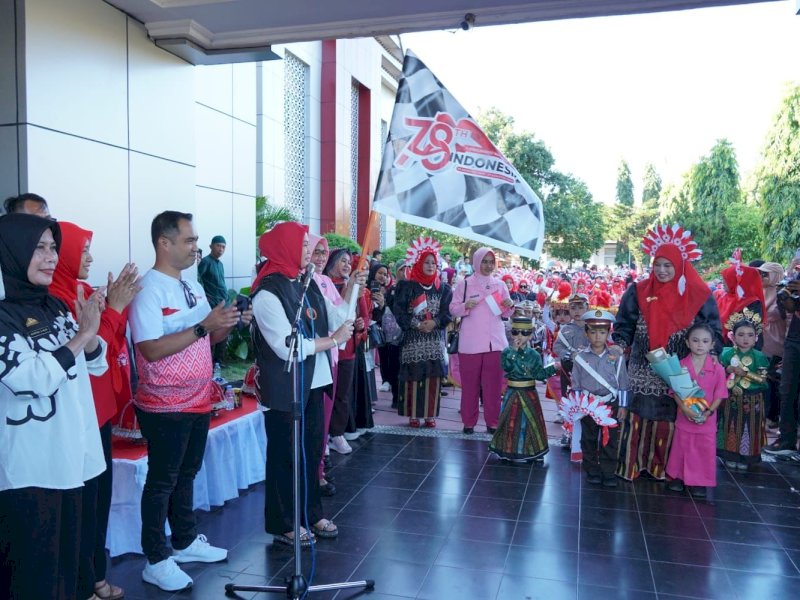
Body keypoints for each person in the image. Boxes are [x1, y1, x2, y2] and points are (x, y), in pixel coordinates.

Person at [129, 211, 250, 592]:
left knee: (186, 474)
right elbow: (150, 349)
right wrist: (203, 326)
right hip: (165, 404)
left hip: (198, 398)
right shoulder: (148, 289)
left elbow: (207, 337)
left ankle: (183, 541)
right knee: (162, 480)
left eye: (196, 240)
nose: (196, 247)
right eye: (189, 240)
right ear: (164, 243)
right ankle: (155, 558)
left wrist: (226, 323)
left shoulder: (192, 286)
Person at [0, 213, 107, 600]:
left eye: (53, 248)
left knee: (68, 573)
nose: (51, 257)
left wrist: (89, 336)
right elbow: (32, 380)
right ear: (12, 253)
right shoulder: (3, 316)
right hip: (32, 470)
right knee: (33, 579)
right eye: (38, 248)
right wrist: (82, 335)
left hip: (73, 461)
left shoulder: (56, 306)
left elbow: (95, 364)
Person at [49, 222, 139, 600]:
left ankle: (95, 576)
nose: (89, 258)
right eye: (83, 250)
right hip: (79, 416)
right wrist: (113, 309)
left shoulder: (81, 292)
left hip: (98, 412)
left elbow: (108, 348)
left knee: (98, 503)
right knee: (82, 506)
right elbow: (86, 355)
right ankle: (84, 583)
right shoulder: (54, 300)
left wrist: (114, 307)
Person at [251, 222, 355, 549]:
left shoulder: (306, 283)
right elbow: (287, 346)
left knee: (310, 453)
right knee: (285, 456)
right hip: (285, 386)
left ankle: (311, 513)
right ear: (286, 247)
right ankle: (284, 523)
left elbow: (335, 319)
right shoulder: (268, 292)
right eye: (304, 245)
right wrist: (331, 341)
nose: (310, 252)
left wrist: (352, 290)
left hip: (314, 382)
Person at [613, 225, 722, 481]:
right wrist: (619, 343)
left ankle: (666, 469)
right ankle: (633, 465)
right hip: (641, 366)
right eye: (657, 265)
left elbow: (713, 329)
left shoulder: (698, 294)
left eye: (668, 266)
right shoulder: (638, 291)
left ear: (680, 266)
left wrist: (712, 351)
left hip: (681, 368)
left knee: (675, 414)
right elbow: (624, 324)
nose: (661, 271)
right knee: (638, 413)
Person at [450, 247, 514, 434]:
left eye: (491, 262)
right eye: (484, 261)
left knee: (493, 386)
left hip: (495, 343)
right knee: (470, 385)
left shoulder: (500, 285)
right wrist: (465, 306)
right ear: (476, 262)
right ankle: (468, 422)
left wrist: (510, 305)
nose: (488, 265)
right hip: (470, 344)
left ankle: (493, 422)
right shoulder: (464, 284)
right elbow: (453, 309)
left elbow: (507, 313)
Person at [393, 237, 453, 427]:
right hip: (413, 340)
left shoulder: (443, 289)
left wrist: (434, 322)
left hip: (434, 341)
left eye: (433, 263)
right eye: (426, 262)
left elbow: (447, 313)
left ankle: (429, 415)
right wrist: (416, 324)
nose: (430, 266)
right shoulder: (407, 286)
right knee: (412, 377)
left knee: (433, 379)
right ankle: (413, 415)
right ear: (418, 263)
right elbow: (399, 311)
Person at [665, 323, 728, 497]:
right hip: (684, 415)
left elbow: (720, 394)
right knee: (682, 446)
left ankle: (699, 482)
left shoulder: (717, 368)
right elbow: (675, 391)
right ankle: (677, 477)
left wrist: (708, 412)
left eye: (705, 341)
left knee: (703, 449)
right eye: (695, 340)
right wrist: (684, 409)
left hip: (706, 418)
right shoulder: (680, 366)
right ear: (687, 342)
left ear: (712, 344)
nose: (700, 345)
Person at [570, 310, 629, 487]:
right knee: (588, 439)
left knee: (610, 439)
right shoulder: (580, 357)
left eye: (602, 332)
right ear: (586, 333)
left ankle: (608, 472)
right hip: (588, 404)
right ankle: (592, 471)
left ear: (608, 333)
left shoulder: (617, 357)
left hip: (610, 403)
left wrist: (623, 406)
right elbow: (576, 384)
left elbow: (623, 382)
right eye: (593, 332)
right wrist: (578, 406)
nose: (598, 336)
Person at [489, 316, 557, 462]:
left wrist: (553, 369)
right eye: (516, 332)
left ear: (531, 335)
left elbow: (539, 375)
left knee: (530, 423)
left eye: (524, 333)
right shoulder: (506, 352)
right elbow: (506, 367)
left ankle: (533, 451)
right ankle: (508, 450)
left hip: (529, 393)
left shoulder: (534, 355)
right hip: (512, 392)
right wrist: (514, 351)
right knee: (510, 422)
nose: (519, 336)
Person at [307, 233, 342, 496]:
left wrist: (352, 288)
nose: (320, 258)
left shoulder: (327, 282)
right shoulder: (302, 283)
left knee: (324, 419)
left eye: (323, 253)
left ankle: (318, 469)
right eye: (315, 251)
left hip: (331, 357)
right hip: (311, 359)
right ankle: (312, 473)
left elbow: (341, 316)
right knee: (313, 422)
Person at [323, 249, 367, 451]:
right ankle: (322, 435)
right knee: (324, 395)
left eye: (349, 262)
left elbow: (364, 316)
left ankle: (337, 433)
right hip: (325, 348)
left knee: (342, 393)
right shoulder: (322, 284)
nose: (347, 265)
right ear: (331, 262)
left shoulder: (355, 288)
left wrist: (360, 325)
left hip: (347, 350)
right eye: (342, 261)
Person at [717, 310, 769, 470]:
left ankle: (745, 458)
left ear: (756, 338)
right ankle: (729, 456)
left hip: (752, 399)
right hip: (730, 397)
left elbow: (763, 380)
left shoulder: (760, 356)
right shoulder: (725, 353)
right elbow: (717, 372)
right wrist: (727, 369)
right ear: (733, 336)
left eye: (750, 335)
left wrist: (745, 373)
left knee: (749, 428)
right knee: (729, 425)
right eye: (741, 335)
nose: (745, 339)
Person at [756, 262, 788, 427]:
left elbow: (789, 320)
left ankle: (774, 417)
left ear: (775, 275)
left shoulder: (783, 294)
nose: (761, 277)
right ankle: (767, 415)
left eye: (765, 274)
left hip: (779, 344)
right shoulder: (760, 292)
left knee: (776, 382)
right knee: (765, 380)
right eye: (760, 274)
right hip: (763, 344)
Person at [716, 254, 766, 347]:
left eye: (726, 279)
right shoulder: (722, 297)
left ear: (736, 281)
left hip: (740, 348)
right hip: (719, 346)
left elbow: (748, 330)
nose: (723, 282)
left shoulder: (752, 302)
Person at [197, 235, 229, 365]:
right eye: (218, 246)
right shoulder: (206, 262)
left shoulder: (220, 264)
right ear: (211, 246)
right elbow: (198, 280)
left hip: (222, 303)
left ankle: (218, 362)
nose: (221, 249)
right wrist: (205, 297)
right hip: (211, 305)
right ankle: (208, 362)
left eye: (223, 247)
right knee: (211, 333)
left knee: (223, 333)